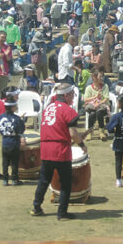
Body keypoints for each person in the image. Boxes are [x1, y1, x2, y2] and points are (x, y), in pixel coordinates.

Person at [31, 83, 90, 220]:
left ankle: (36, 207)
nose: (73, 98)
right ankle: (62, 212)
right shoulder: (68, 111)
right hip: (60, 150)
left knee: (44, 180)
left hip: (45, 149)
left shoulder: (48, 109)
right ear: (66, 95)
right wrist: (82, 144)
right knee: (65, 182)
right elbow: (73, 133)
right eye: (72, 96)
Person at [0, 95, 26, 186]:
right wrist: (21, 120)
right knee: (14, 162)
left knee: (5, 162)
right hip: (14, 143)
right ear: (13, 107)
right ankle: (14, 179)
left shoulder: (1, 117)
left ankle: (5, 180)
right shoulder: (16, 118)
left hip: (5, 142)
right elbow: (21, 129)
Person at [84, 69, 110, 141]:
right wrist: (95, 97)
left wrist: (99, 104)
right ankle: (90, 132)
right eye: (100, 76)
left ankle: (101, 131)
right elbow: (86, 99)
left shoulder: (105, 86)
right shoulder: (89, 88)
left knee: (99, 112)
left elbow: (106, 98)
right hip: (92, 106)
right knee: (92, 113)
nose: (101, 78)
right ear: (94, 77)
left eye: (102, 76)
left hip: (103, 106)